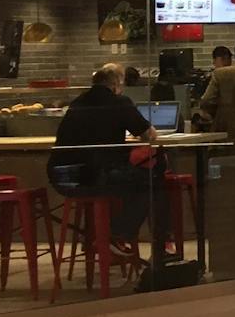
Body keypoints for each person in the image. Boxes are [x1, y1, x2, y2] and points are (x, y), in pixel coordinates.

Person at [48, 63, 163, 247]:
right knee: (150, 181)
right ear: (116, 83)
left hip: (62, 176)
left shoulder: (78, 103)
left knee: (127, 178)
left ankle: (97, 238)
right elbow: (149, 135)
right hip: (96, 176)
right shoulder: (120, 102)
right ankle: (116, 234)